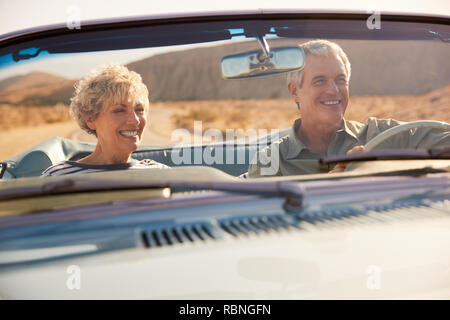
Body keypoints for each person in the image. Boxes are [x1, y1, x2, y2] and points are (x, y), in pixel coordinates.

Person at [248, 39, 450, 177]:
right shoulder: (272, 162)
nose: (334, 90)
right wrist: (338, 180)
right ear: (294, 91)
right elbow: (265, 229)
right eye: (320, 81)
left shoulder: (384, 135)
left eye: (340, 80)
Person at [41, 63, 168, 177]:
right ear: (90, 118)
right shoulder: (57, 177)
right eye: (119, 110)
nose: (135, 121)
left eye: (139, 110)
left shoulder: (159, 172)